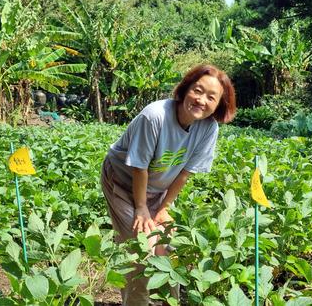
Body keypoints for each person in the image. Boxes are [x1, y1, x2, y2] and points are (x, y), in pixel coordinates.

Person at [100, 64, 236, 305]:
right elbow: (139, 166)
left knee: (167, 244)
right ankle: (137, 302)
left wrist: (164, 206)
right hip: (122, 182)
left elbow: (185, 173)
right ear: (184, 90)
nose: (201, 100)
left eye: (211, 97)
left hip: (156, 187)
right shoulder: (154, 116)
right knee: (141, 248)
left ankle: (168, 302)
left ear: (219, 105)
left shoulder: (208, 128)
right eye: (197, 90)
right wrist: (141, 207)